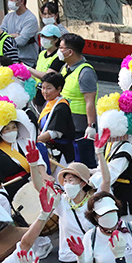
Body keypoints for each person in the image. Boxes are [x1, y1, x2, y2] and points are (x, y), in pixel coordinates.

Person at [59, 34, 98, 167]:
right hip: (67, 123)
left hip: (80, 127)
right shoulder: (66, 68)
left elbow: (90, 101)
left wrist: (90, 126)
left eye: (61, 48)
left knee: (84, 163)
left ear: (70, 52)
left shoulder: (85, 72)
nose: (59, 51)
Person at [1, 0, 39, 67]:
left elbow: (21, 41)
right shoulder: (8, 17)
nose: (9, 2)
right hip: (10, 61)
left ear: (21, 1)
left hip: (27, 62)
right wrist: (13, 35)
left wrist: (6, 38)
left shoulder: (30, 19)